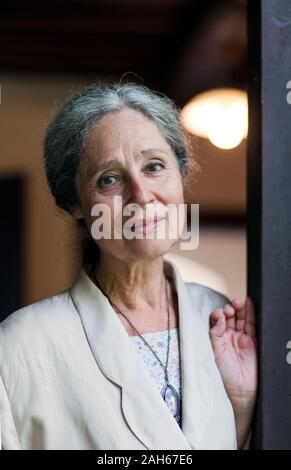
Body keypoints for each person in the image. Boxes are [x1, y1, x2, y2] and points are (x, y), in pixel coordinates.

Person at [0, 82, 257, 450]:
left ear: (181, 177)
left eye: (154, 167)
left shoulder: (217, 315)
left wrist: (242, 404)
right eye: (109, 179)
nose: (140, 196)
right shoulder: (19, 347)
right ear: (74, 203)